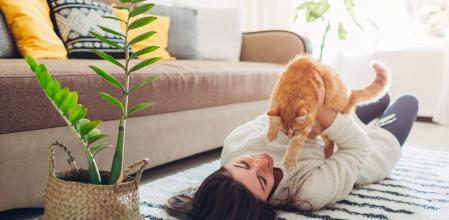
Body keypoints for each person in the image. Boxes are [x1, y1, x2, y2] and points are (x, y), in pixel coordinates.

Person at [167, 64, 419, 220]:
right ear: (264, 204)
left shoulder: (235, 145)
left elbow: (271, 114)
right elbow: (357, 148)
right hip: (358, 150)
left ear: (225, 165)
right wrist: (321, 110)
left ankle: (348, 108)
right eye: (263, 180)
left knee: (373, 97)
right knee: (408, 101)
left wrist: (312, 106)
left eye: (244, 164)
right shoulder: (308, 192)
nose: (261, 162)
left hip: (317, 125)